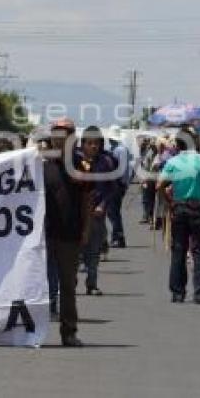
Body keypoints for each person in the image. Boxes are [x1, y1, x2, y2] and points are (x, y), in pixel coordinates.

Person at [43, 117, 88, 347]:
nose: (59, 138)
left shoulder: (80, 165)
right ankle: (31, 331)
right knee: (36, 283)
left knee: (67, 286)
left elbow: (86, 197)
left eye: (65, 133)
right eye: (56, 133)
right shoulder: (39, 163)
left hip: (69, 234)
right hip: (41, 235)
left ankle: (68, 331)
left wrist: (86, 229)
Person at [158, 127, 200, 304]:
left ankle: (177, 292)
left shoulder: (173, 162)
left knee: (179, 250)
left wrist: (170, 202)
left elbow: (160, 185)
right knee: (199, 250)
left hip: (180, 208)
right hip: (199, 208)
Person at [78, 126, 118, 296]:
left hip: (96, 214)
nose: (93, 147)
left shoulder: (106, 162)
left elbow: (111, 188)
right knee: (74, 252)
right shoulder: (75, 161)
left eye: (96, 143)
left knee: (94, 251)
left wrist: (103, 205)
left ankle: (92, 284)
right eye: (90, 143)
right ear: (83, 144)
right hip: (77, 214)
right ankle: (69, 284)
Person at [106, 126, 132, 248]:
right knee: (113, 212)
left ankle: (118, 237)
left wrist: (120, 183)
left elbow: (122, 169)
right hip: (118, 183)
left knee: (113, 212)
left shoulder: (119, 150)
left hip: (117, 184)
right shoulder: (117, 149)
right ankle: (117, 236)